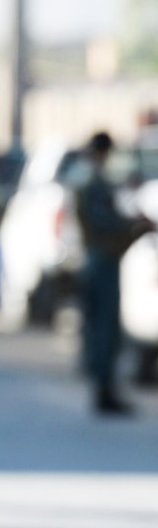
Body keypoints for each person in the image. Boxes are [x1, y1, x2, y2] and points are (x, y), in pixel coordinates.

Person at [75, 131, 154, 415]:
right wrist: (135, 225)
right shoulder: (94, 181)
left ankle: (104, 386)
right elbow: (103, 221)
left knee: (99, 325)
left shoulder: (89, 177)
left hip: (97, 258)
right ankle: (103, 388)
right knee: (105, 328)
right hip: (102, 258)